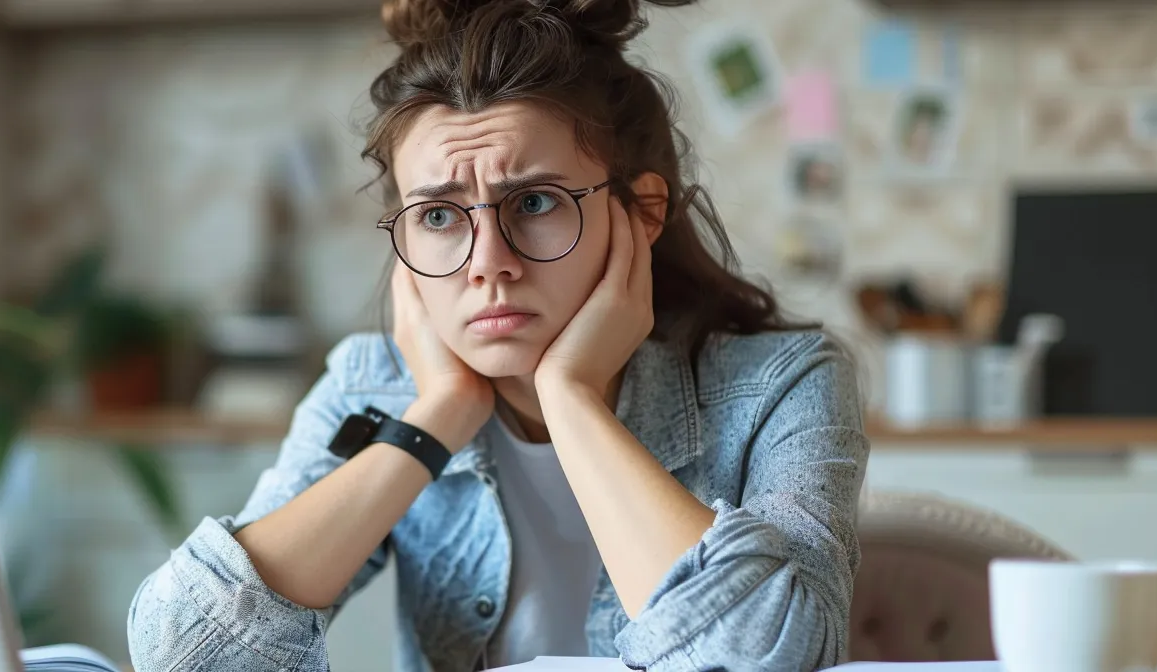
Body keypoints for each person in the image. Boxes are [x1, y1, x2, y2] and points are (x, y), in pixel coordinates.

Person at [127, 1, 868, 670]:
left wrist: (572, 399)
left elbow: (768, 658)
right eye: (440, 217)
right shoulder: (373, 391)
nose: (489, 265)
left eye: (536, 201)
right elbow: (183, 653)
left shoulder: (784, 383)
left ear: (641, 212)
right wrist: (436, 417)